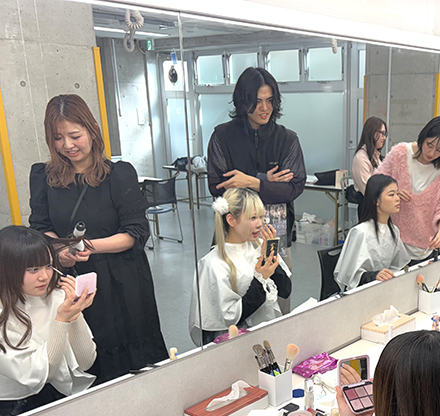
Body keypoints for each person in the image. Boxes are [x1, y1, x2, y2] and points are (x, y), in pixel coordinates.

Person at [29, 94, 167, 384]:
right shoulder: (44, 177)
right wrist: (60, 250)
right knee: (87, 356)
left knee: (133, 361)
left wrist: (89, 247)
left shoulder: (118, 175)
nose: (68, 145)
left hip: (121, 279)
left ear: (92, 129)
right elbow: (41, 227)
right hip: (72, 279)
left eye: (75, 135)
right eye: (58, 138)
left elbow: (135, 233)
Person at [0, 226, 96, 416]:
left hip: (54, 401)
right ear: (5, 268)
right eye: (33, 269)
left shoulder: (56, 298)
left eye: (48, 266)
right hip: (9, 412)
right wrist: (61, 320)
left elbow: (86, 362)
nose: (44, 276)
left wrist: (74, 315)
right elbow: (41, 375)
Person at [207, 67, 305, 313]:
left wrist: (252, 182)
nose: (264, 108)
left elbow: (293, 188)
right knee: (234, 304)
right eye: (257, 101)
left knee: (278, 301)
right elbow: (218, 187)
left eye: (270, 101)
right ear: (243, 102)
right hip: (233, 236)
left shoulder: (287, 140)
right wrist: (268, 182)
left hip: (274, 235)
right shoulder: (222, 137)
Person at [189, 188, 290, 346]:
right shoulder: (213, 264)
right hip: (237, 344)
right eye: (253, 218)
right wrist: (260, 278)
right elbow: (230, 318)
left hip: (267, 335)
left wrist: (269, 254)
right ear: (231, 220)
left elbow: (285, 290)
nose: (260, 224)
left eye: (261, 217)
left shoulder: (259, 247)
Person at [375, 116, 440, 262]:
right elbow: (376, 182)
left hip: (424, 248)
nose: (431, 153)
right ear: (423, 136)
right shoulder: (400, 153)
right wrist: (393, 192)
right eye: (429, 145)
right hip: (391, 241)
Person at [333, 174, 409, 291]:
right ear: (376, 200)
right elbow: (348, 276)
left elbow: (398, 264)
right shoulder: (360, 232)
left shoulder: (393, 230)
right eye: (391, 195)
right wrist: (373, 276)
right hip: (362, 292)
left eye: (397, 194)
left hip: (383, 288)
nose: (397, 198)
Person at [351, 116, 387, 197]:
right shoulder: (361, 158)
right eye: (382, 133)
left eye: (385, 134)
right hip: (370, 202)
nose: (384, 138)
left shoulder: (377, 156)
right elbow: (368, 191)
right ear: (372, 133)